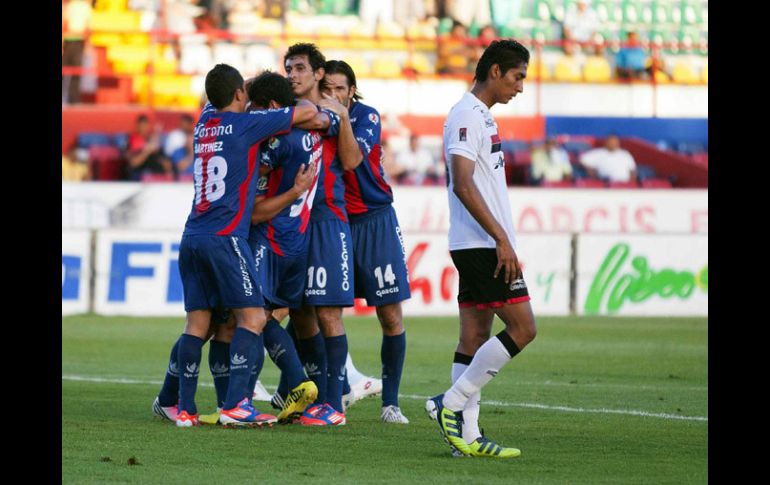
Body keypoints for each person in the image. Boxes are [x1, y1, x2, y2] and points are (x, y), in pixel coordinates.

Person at [150, 63, 324, 427]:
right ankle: (235, 405)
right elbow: (308, 111)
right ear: (240, 95)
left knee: (198, 324)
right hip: (226, 237)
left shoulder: (203, 124)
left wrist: (238, 88)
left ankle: (182, 408)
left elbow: (216, 98)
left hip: (192, 235)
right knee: (253, 316)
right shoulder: (247, 125)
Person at [426, 39, 537, 458]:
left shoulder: (480, 117)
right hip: (480, 244)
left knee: (474, 335)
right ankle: (449, 404)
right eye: (517, 77)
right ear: (495, 71)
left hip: (478, 242)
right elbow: (463, 182)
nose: (520, 87)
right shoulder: (467, 116)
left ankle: (466, 439)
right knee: (524, 328)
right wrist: (501, 238)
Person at [320, 59, 412, 424]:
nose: (333, 95)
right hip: (335, 221)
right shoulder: (316, 117)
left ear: (352, 91)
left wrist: (340, 115)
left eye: (339, 88)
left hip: (375, 221)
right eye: (327, 89)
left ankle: (390, 403)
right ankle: (341, 386)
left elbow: (352, 158)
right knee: (319, 311)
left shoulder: (366, 117)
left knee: (389, 314)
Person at [281, 43, 364, 426]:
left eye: (299, 68)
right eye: (288, 69)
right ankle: (313, 393)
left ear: (317, 74)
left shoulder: (333, 112)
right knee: (298, 313)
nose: (292, 75)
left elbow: (351, 162)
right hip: (292, 221)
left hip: (327, 221)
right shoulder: (292, 111)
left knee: (329, 313)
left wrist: (343, 119)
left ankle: (333, 402)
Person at [125, 114, 173, 181]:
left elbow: (165, 161)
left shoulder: (150, 140)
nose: (143, 128)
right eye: (141, 126)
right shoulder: (132, 139)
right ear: (137, 126)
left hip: (153, 170)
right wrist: (147, 151)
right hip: (138, 172)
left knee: (167, 165)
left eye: (145, 126)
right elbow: (133, 163)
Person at [163, 114, 196, 178]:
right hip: (182, 181)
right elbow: (180, 167)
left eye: (193, 139)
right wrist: (191, 154)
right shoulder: (178, 151)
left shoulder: (199, 151)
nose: (191, 141)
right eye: (189, 139)